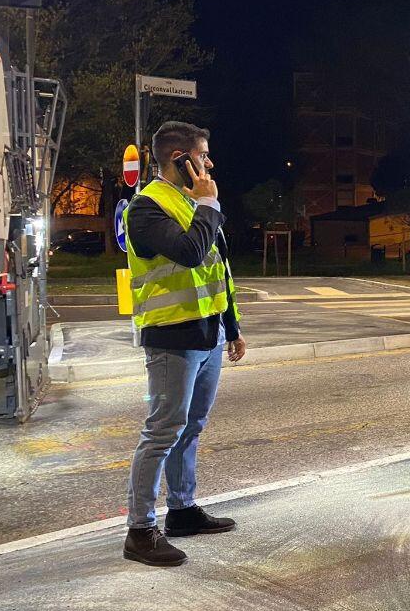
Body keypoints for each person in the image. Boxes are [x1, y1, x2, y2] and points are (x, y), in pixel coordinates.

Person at [121, 121, 248, 567]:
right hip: (172, 337)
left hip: (207, 335)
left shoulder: (188, 202)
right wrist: (209, 203)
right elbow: (191, 252)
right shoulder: (146, 208)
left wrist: (231, 327)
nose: (209, 163)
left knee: (190, 428)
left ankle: (181, 512)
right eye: (204, 154)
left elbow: (218, 268)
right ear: (181, 159)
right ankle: (139, 531)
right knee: (161, 432)